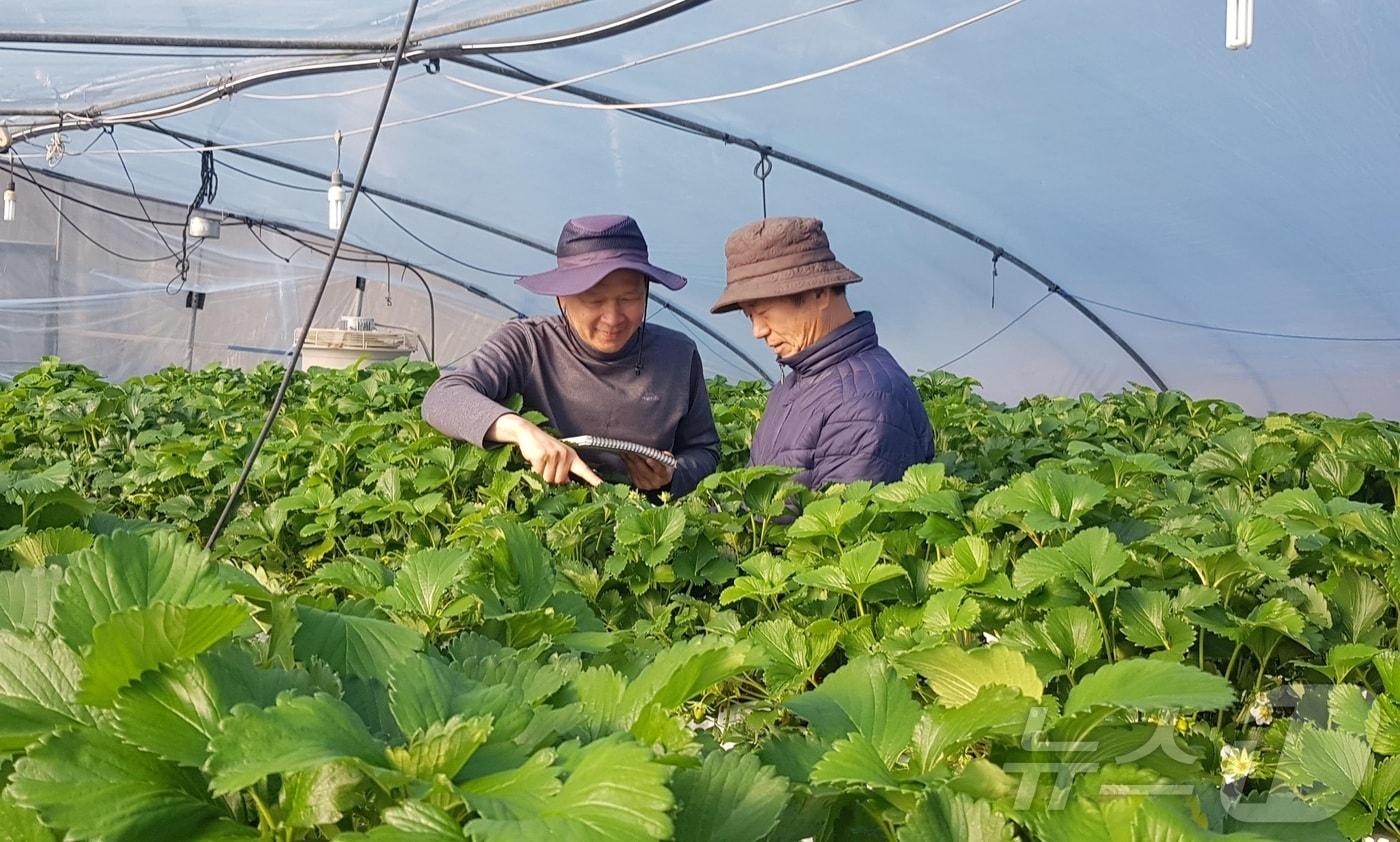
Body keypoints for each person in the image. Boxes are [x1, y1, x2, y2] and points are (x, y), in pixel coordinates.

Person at [422, 214, 719, 495]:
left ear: (647, 291)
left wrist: (672, 476)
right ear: (562, 297)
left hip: (643, 519)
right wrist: (521, 430)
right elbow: (443, 397)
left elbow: (704, 450)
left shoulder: (678, 356)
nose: (613, 318)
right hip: (547, 521)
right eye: (595, 300)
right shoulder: (528, 344)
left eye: (629, 298)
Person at [710, 216, 933, 487]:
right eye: (749, 316)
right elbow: (753, 499)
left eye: (764, 313)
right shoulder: (794, 385)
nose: (758, 331)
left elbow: (838, 524)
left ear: (820, 292)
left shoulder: (865, 403)